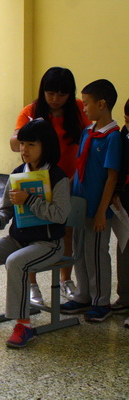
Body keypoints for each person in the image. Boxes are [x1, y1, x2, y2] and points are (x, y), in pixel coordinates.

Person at [0, 119, 70, 348]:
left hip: (48, 244)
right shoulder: (18, 174)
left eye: (31, 144)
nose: (24, 150)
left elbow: (60, 215)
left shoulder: (58, 177)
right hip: (18, 239)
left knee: (15, 262)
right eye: (22, 144)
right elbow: (7, 209)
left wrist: (29, 200)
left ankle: (23, 324)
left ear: (45, 146)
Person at [11, 67, 91, 305]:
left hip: (69, 179)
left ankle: (66, 279)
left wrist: (76, 176)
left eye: (62, 94)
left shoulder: (79, 109)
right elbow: (14, 143)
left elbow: (89, 139)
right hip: (37, 179)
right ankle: (32, 284)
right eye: (50, 93)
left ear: (70, 94)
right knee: (32, 231)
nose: (55, 99)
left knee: (66, 231)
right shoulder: (32, 110)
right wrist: (28, 133)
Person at [61, 79, 122, 322]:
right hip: (80, 205)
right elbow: (80, 167)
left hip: (98, 209)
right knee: (79, 251)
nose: (84, 108)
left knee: (96, 254)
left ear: (102, 104)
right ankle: (83, 296)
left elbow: (111, 177)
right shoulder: (88, 132)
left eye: (86, 103)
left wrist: (101, 212)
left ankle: (101, 301)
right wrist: (68, 187)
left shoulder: (112, 137)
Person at [111, 98, 129, 325]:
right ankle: (125, 296)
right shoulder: (124, 134)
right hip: (125, 204)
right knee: (124, 249)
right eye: (126, 120)